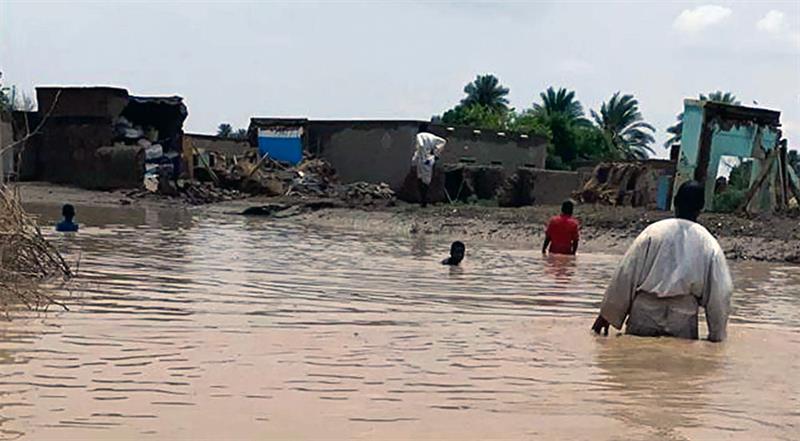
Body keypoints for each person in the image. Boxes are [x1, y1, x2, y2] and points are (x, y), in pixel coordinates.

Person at [591, 181, 733, 342]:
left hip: (645, 312)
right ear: (701, 207)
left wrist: (607, 315)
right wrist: (717, 334)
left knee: (636, 362)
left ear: (675, 202)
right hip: (682, 317)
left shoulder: (652, 233)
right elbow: (721, 293)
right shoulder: (709, 244)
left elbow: (626, 275)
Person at [411, 126, 447, 208]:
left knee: (421, 179)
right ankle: (425, 200)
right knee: (427, 180)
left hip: (423, 159)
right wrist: (435, 154)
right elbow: (443, 142)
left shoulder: (419, 136)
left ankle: (423, 201)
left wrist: (420, 157)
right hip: (429, 159)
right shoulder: (432, 137)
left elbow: (421, 145)